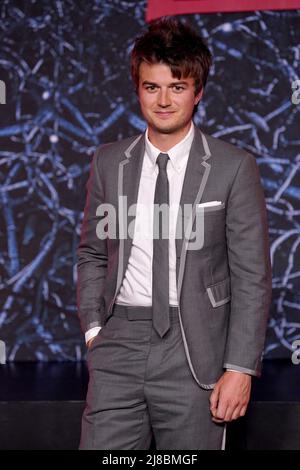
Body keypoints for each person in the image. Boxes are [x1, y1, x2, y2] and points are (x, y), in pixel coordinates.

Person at [76, 17, 272, 450]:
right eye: (152, 87)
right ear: (138, 90)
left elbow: (251, 276)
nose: (164, 100)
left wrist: (239, 367)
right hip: (119, 342)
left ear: (198, 92)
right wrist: (95, 330)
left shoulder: (232, 166)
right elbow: (92, 252)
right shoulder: (108, 162)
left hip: (195, 346)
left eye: (177, 87)